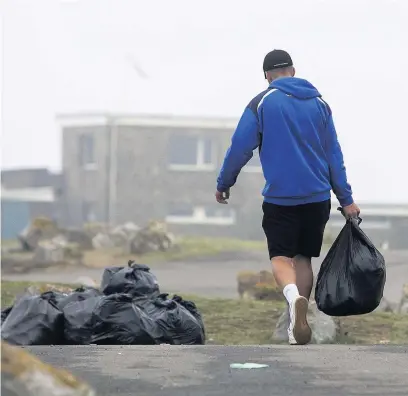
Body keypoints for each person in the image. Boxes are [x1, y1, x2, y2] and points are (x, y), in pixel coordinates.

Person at [215, 49, 360, 345]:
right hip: (317, 198)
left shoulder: (262, 103)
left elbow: (239, 148)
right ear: (293, 71)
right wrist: (346, 199)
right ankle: (299, 322)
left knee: (281, 258)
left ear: (267, 76)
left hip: (281, 199)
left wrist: (224, 182)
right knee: (303, 258)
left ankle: (293, 300)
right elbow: (334, 155)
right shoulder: (320, 104)